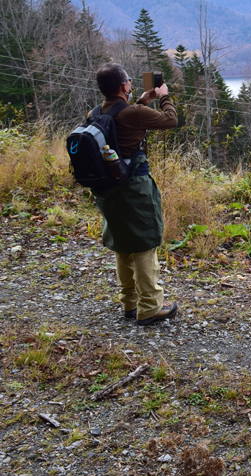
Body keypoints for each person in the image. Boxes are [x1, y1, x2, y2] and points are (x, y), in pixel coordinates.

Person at [93, 63, 179, 326]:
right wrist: (163, 95)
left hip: (108, 189)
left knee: (123, 243)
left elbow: (125, 120)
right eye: (129, 80)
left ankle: (129, 303)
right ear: (123, 86)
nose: (131, 83)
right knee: (144, 243)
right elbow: (171, 120)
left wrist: (143, 100)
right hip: (134, 187)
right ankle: (151, 307)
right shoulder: (133, 113)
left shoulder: (96, 112)